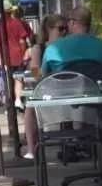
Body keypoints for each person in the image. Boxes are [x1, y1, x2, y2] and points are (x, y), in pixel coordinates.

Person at [22, 14, 68, 160]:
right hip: (47, 89)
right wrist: (42, 73)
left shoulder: (68, 46)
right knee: (29, 107)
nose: (64, 32)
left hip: (67, 88)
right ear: (49, 30)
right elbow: (35, 71)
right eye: (60, 29)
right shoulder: (39, 48)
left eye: (66, 29)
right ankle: (31, 148)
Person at [42, 6, 102, 74]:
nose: (65, 30)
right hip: (98, 93)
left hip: (65, 92)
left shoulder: (51, 50)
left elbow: (43, 80)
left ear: (72, 23)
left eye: (67, 23)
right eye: (60, 28)